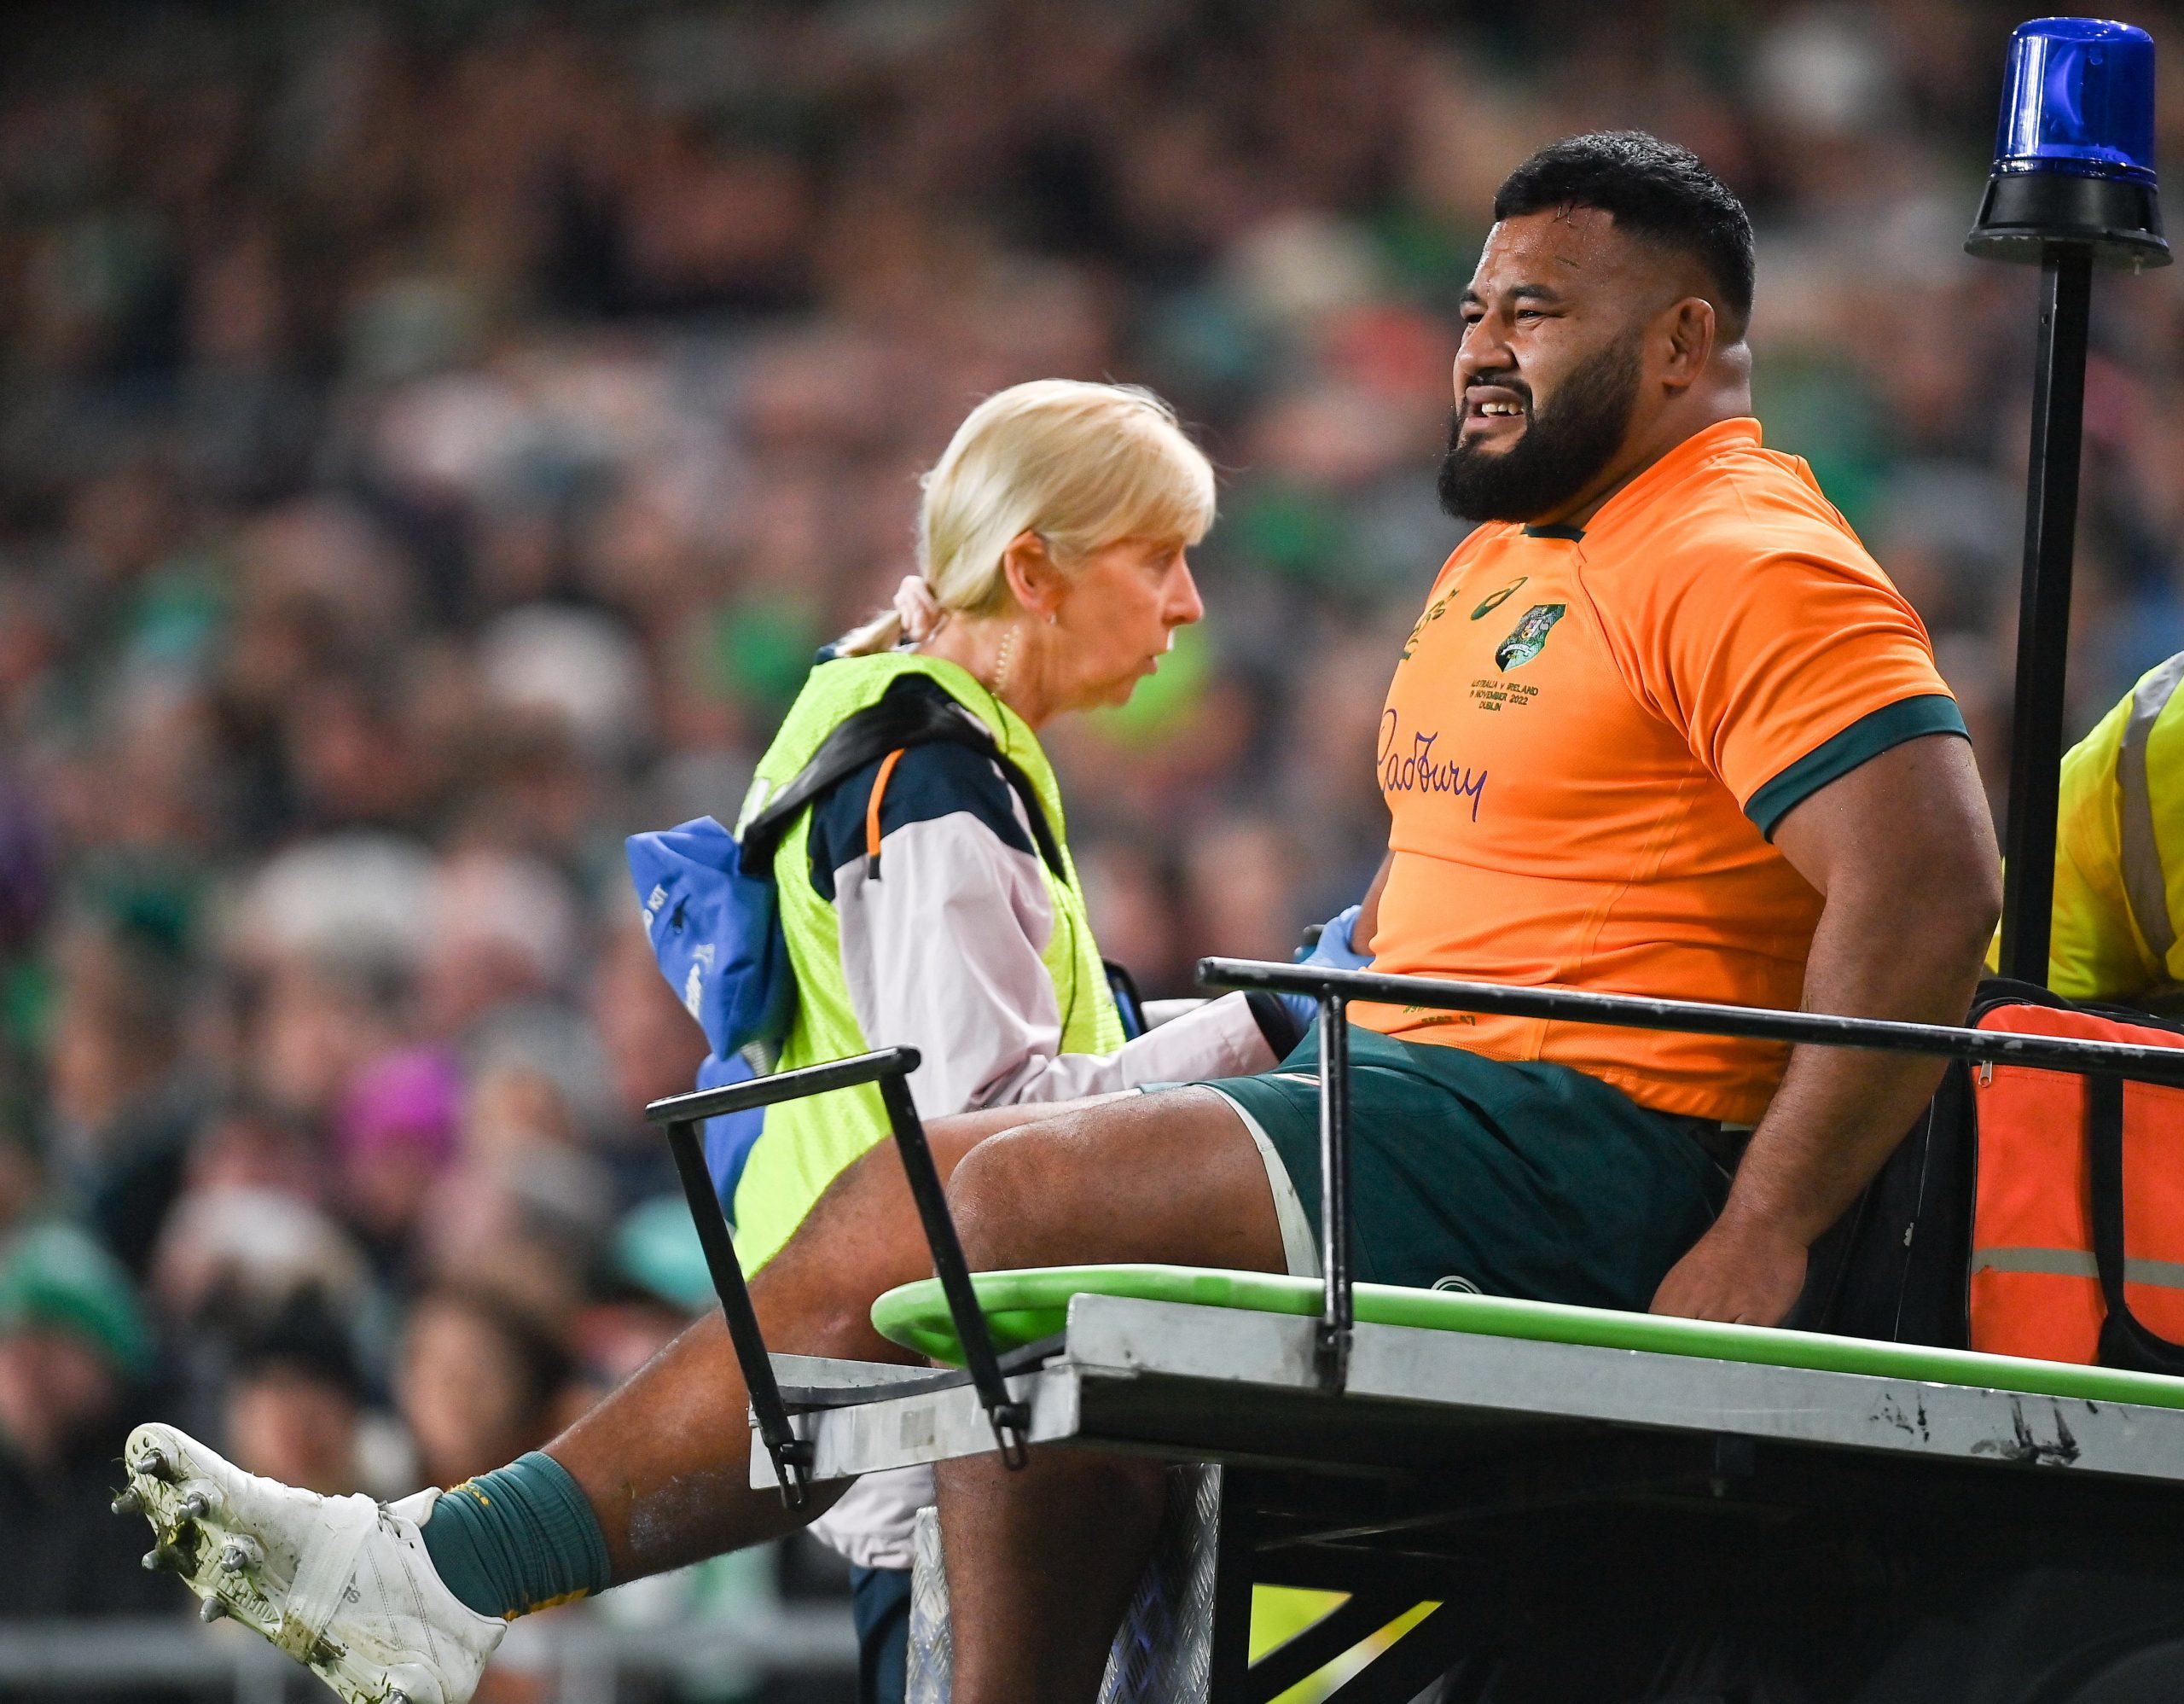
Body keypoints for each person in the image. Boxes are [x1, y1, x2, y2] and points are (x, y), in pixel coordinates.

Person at [119, 132, 2001, 1704]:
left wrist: (1767, 1227)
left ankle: (449, 1578)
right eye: (1471, 310)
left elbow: (1930, 876)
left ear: (1685, 341)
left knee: (964, 1197)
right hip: (1423, 1101)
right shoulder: (1514, 551)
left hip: (1570, 1144)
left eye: (1539, 311)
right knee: (1022, 1333)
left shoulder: (1744, 547)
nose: (1483, 349)